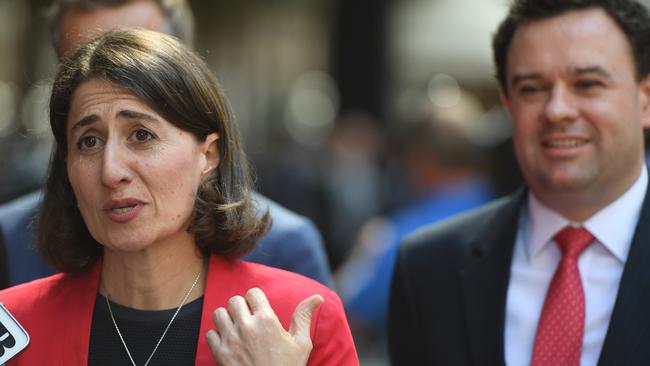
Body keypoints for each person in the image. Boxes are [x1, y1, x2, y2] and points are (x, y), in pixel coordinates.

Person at [0, 29, 357, 365]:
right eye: (88, 141)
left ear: (210, 155)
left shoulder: (297, 321)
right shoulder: (15, 326)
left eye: (141, 135)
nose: (110, 171)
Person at [0, 0, 332, 288]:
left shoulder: (285, 247)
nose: (112, 171)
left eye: (140, 57)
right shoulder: (11, 240)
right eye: (87, 57)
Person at [389, 0, 650, 365]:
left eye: (587, 84)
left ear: (646, 98)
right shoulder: (429, 269)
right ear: (508, 105)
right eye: (532, 88)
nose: (557, 109)